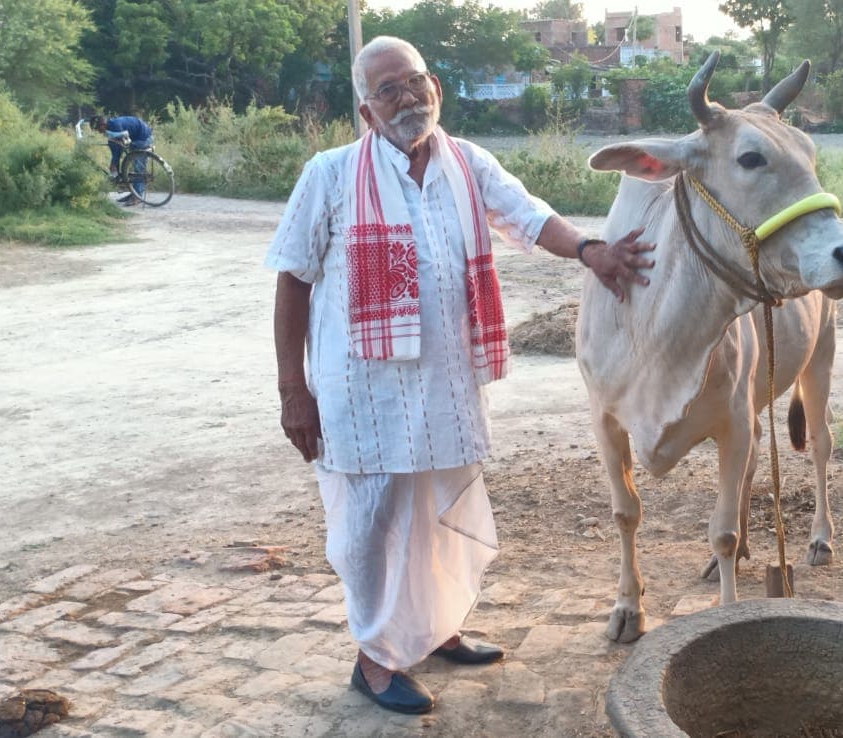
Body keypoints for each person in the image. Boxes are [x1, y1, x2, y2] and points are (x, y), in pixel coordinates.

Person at [265, 36, 653, 716]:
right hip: (362, 394)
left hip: (445, 385)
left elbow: (529, 215)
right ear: (366, 111)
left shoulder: (467, 162)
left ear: (435, 86)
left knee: (442, 513)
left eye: (414, 81)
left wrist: (590, 249)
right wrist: (293, 390)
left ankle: (435, 627)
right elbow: (293, 281)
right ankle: (375, 659)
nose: (407, 97)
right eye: (388, 89)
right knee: (371, 523)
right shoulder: (329, 174)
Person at [89, 114, 153, 206]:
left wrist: (114, 164)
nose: (99, 132)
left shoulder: (115, 126)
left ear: (102, 125)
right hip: (137, 137)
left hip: (144, 138)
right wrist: (114, 163)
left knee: (138, 167)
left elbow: (118, 148)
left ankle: (137, 196)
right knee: (129, 161)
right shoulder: (111, 127)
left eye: (98, 129)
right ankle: (134, 192)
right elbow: (115, 148)